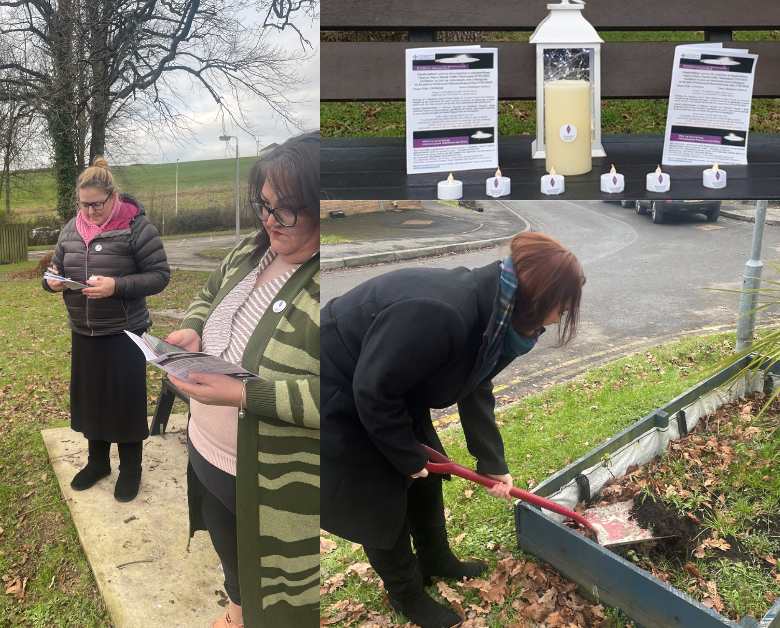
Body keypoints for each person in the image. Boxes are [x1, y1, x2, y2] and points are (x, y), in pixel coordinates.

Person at [319, 232, 585, 628]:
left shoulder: (494, 316)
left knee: (427, 479)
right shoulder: (444, 312)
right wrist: (406, 457)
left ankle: (436, 558)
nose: (556, 320)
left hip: (392, 383)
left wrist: (491, 460)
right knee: (378, 497)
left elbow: (475, 381)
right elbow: (371, 390)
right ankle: (407, 594)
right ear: (538, 297)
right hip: (338, 383)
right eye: (560, 310)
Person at [164, 131, 322, 628]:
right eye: (263, 205)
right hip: (207, 450)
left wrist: (244, 393)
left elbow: (338, 396)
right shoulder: (251, 251)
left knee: (279, 583)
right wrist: (192, 327)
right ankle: (237, 610)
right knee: (225, 539)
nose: (269, 221)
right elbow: (208, 294)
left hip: (269, 476)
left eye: (286, 209)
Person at [44, 157, 170, 502]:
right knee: (92, 401)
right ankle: (98, 462)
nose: (89, 211)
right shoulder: (72, 228)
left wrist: (116, 286)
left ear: (113, 196)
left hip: (125, 331)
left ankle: (131, 469)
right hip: (84, 331)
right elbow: (54, 267)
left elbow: (159, 276)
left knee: (124, 402)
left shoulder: (137, 227)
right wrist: (51, 282)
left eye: (96, 204)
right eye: (83, 205)